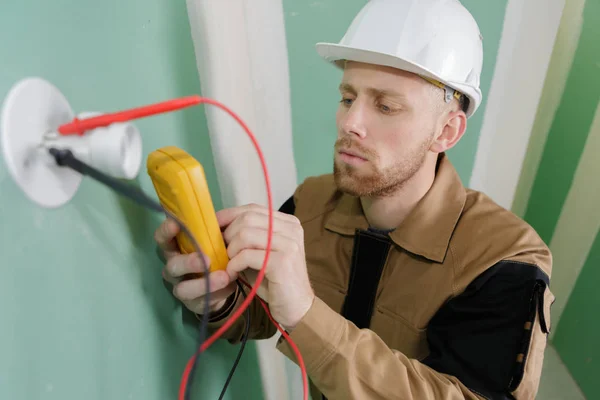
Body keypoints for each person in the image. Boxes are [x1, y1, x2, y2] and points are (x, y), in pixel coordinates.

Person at [155, 0, 554, 399]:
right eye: (348, 98)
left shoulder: (503, 261)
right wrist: (224, 296)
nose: (349, 123)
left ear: (447, 131)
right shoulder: (311, 201)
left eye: (385, 106)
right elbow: (265, 312)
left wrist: (305, 314)